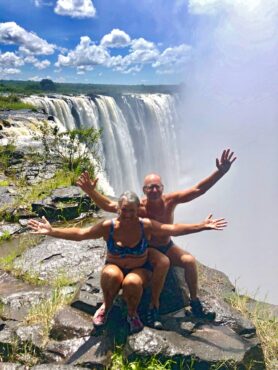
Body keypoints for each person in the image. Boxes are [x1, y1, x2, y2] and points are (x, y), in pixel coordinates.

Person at [28, 191, 227, 334]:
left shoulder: (145, 226)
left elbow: (171, 229)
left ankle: (132, 314)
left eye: (132, 211)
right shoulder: (109, 226)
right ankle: (106, 307)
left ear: (137, 211)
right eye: (125, 210)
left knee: (130, 283)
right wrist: (52, 231)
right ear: (118, 210)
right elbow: (81, 234)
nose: (129, 214)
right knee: (110, 274)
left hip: (139, 270)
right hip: (115, 265)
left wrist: (201, 226)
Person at [77, 149, 236, 327]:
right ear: (144, 190)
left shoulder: (170, 200)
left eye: (157, 187)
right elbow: (108, 204)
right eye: (149, 187)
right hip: (149, 248)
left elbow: (198, 189)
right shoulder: (139, 207)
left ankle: (194, 302)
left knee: (189, 261)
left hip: (167, 244)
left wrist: (220, 172)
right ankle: (154, 306)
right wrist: (91, 192)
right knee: (163, 262)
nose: (153, 190)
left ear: (162, 188)